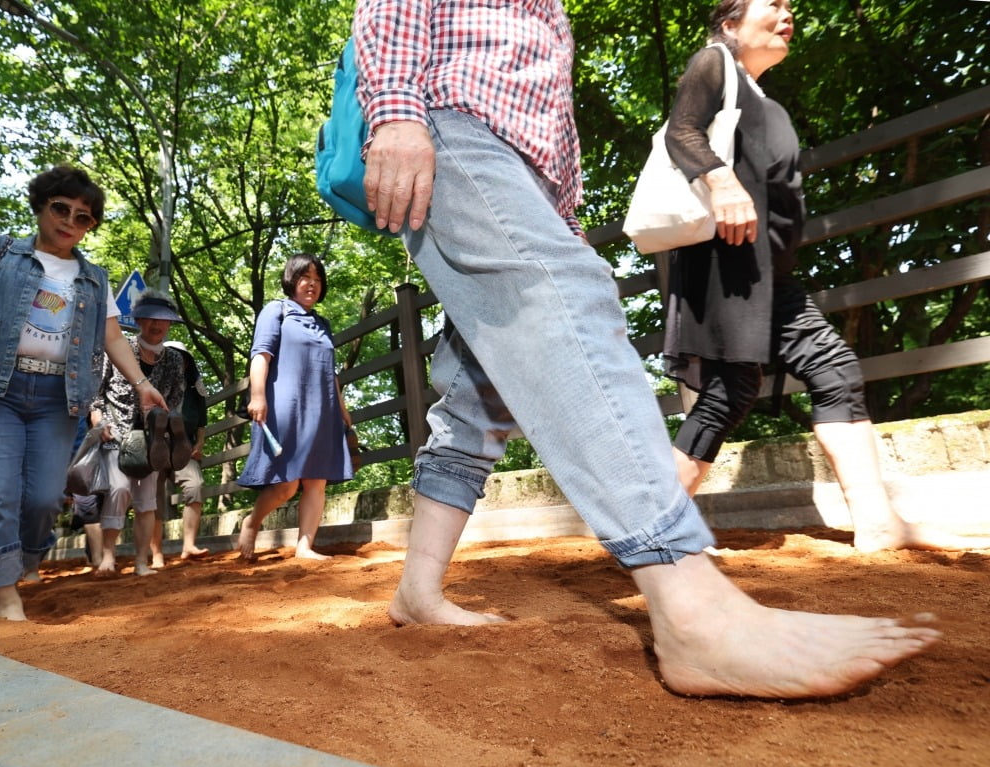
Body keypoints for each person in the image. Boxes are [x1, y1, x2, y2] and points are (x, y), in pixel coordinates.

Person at [353, 0, 940, 698]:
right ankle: (691, 606)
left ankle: (417, 590)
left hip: (525, 175)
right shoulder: (711, 66)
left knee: (481, 392)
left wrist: (560, 211)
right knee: (569, 301)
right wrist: (394, 110)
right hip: (453, 125)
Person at [661, 0, 990, 554]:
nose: (788, 11)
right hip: (729, 267)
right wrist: (720, 182)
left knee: (778, 382)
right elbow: (681, 131)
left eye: (791, 5)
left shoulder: (764, 100)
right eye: (773, 3)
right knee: (758, 386)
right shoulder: (713, 63)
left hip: (767, 273)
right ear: (731, 23)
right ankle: (654, 531)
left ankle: (878, 522)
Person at [0, 164, 166, 621]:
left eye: (84, 217)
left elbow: (113, 337)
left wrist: (143, 384)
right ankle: (3, 591)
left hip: (58, 398)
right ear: (40, 206)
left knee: (44, 498)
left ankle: (17, 564)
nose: (70, 222)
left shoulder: (94, 277)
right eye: (61, 209)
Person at [236, 254, 355, 562]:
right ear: (292, 280)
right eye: (305, 277)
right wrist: (257, 395)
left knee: (317, 480)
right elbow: (260, 355)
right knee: (286, 484)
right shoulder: (277, 310)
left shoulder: (322, 324)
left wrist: (342, 409)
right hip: (285, 409)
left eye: (317, 279)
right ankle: (252, 522)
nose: (311, 284)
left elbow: (331, 372)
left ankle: (305, 546)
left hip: (323, 412)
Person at [89, 289, 190, 577]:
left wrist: (168, 427)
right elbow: (97, 390)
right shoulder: (119, 349)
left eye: (163, 320)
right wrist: (99, 418)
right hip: (115, 432)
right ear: (139, 320)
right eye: (150, 319)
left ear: (170, 324)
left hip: (153, 439)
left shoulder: (173, 360)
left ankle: (141, 561)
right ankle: (108, 556)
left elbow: (176, 399)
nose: (156, 325)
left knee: (147, 501)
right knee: (119, 489)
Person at [165, 340, 210, 560]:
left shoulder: (196, 390)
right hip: (155, 442)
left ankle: (189, 545)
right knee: (153, 496)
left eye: (181, 358)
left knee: (195, 486)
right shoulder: (151, 383)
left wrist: (199, 442)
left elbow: (202, 421)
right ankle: (154, 553)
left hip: (185, 444)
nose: (177, 362)